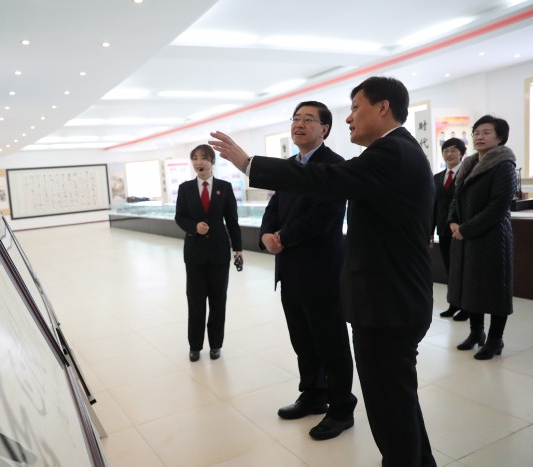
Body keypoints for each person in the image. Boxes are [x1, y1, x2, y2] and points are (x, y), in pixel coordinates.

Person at [210, 76, 436, 466]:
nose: (350, 118)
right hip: (392, 298)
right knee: (397, 401)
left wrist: (249, 164)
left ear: (383, 107)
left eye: (355, 108)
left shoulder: (391, 152)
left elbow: (326, 180)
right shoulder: (399, 151)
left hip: (387, 303)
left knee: (389, 408)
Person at [259, 100, 356, 440]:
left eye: (308, 119)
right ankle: (313, 395)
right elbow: (274, 206)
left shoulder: (335, 166)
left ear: (324, 129)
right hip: (290, 270)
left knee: (331, 343)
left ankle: (342, 408)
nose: (299, 124)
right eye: (296, 118)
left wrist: (283, 237)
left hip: (321, 271)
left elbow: (325, 216)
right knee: (303, 340)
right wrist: (266, 235)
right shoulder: (289, 167)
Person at [447, 115, 516, 360]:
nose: (479, 137)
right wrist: (453, 221)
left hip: (493, 238)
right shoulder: (469, 164)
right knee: (471, 287)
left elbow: (498, 207)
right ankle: (476, 333)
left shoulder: (504, 165)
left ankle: (496, 339)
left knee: (496, 289)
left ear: (500, 137)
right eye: (476, 132)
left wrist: (465, 229)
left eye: (486, 132)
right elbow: (456, 199)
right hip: (467, 237)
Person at [175, 144, 243, 362]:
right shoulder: (185, 189)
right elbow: (180, 217)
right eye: (195, 158)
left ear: (213, 162)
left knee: (218, 301)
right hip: (194, 254)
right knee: (195, 301)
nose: (199, 162)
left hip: (219, 253)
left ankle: (216, 344)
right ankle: (195, 346)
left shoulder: (225, 187)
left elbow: (232, 220)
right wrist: (194, 227)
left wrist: (238, 249)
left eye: (204, 158)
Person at [431, 138, 467, 320]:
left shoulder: (467, 175)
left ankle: (467, 307)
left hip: (461, 231)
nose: (449, 154)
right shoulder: (437, 177)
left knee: (463, 270)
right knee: (449, 269)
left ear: (462, 153)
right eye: (446, 151)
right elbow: (433, 206)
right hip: (443, 231)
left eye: (454, 150)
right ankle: (453, 305)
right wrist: (429, 232)